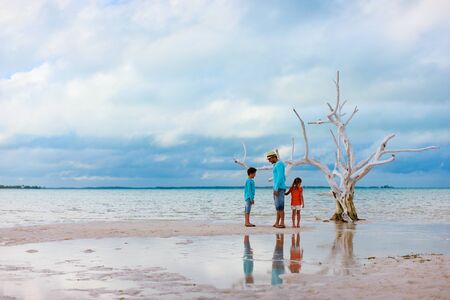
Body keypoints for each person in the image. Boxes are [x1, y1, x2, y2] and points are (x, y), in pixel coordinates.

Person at [266, 150, 286, 228]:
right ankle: (277, 222)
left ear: (274, 157)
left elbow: (281, 177)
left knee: (280, 206)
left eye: (270, 159)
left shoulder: (279, 164)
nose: (269, 161)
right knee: (277, 206)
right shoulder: (275, 165)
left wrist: (276, 188)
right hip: (276, 187)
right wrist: (274, 188)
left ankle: (282, 223)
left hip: (279, 188)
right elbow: (277, 177)